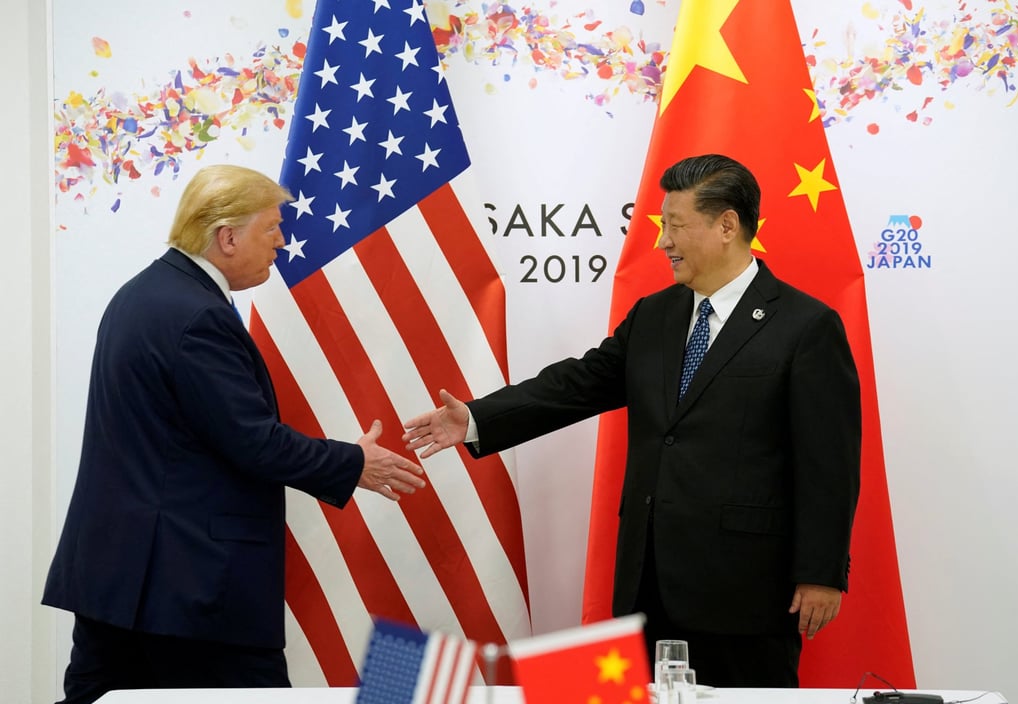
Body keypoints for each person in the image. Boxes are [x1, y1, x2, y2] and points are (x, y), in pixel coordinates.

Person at [402, 154, 861, 688]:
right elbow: (576, 384)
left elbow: (829, 465)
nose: (663, 241)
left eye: (676, 226)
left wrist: (821, 573)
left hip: (745, 593)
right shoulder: (654, 315)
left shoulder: (805, 327)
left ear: (727, 225)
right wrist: (478, 418)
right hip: (649, 585)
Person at [43, 165, 427, 704]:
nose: (281, 241)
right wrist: (353, 462)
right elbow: (253, 441)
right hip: (187, 586)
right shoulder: (197, 314)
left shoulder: (141, 295)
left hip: (118, 578)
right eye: (270, 227)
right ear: (227, 237)